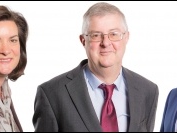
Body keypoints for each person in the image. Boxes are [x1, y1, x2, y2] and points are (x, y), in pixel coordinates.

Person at [32, 2, 159, 132]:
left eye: (114, 34)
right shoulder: (52, 94)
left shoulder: (147, 91)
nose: (106, 42)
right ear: (83, 41)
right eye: (96, 35)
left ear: (126, 37)